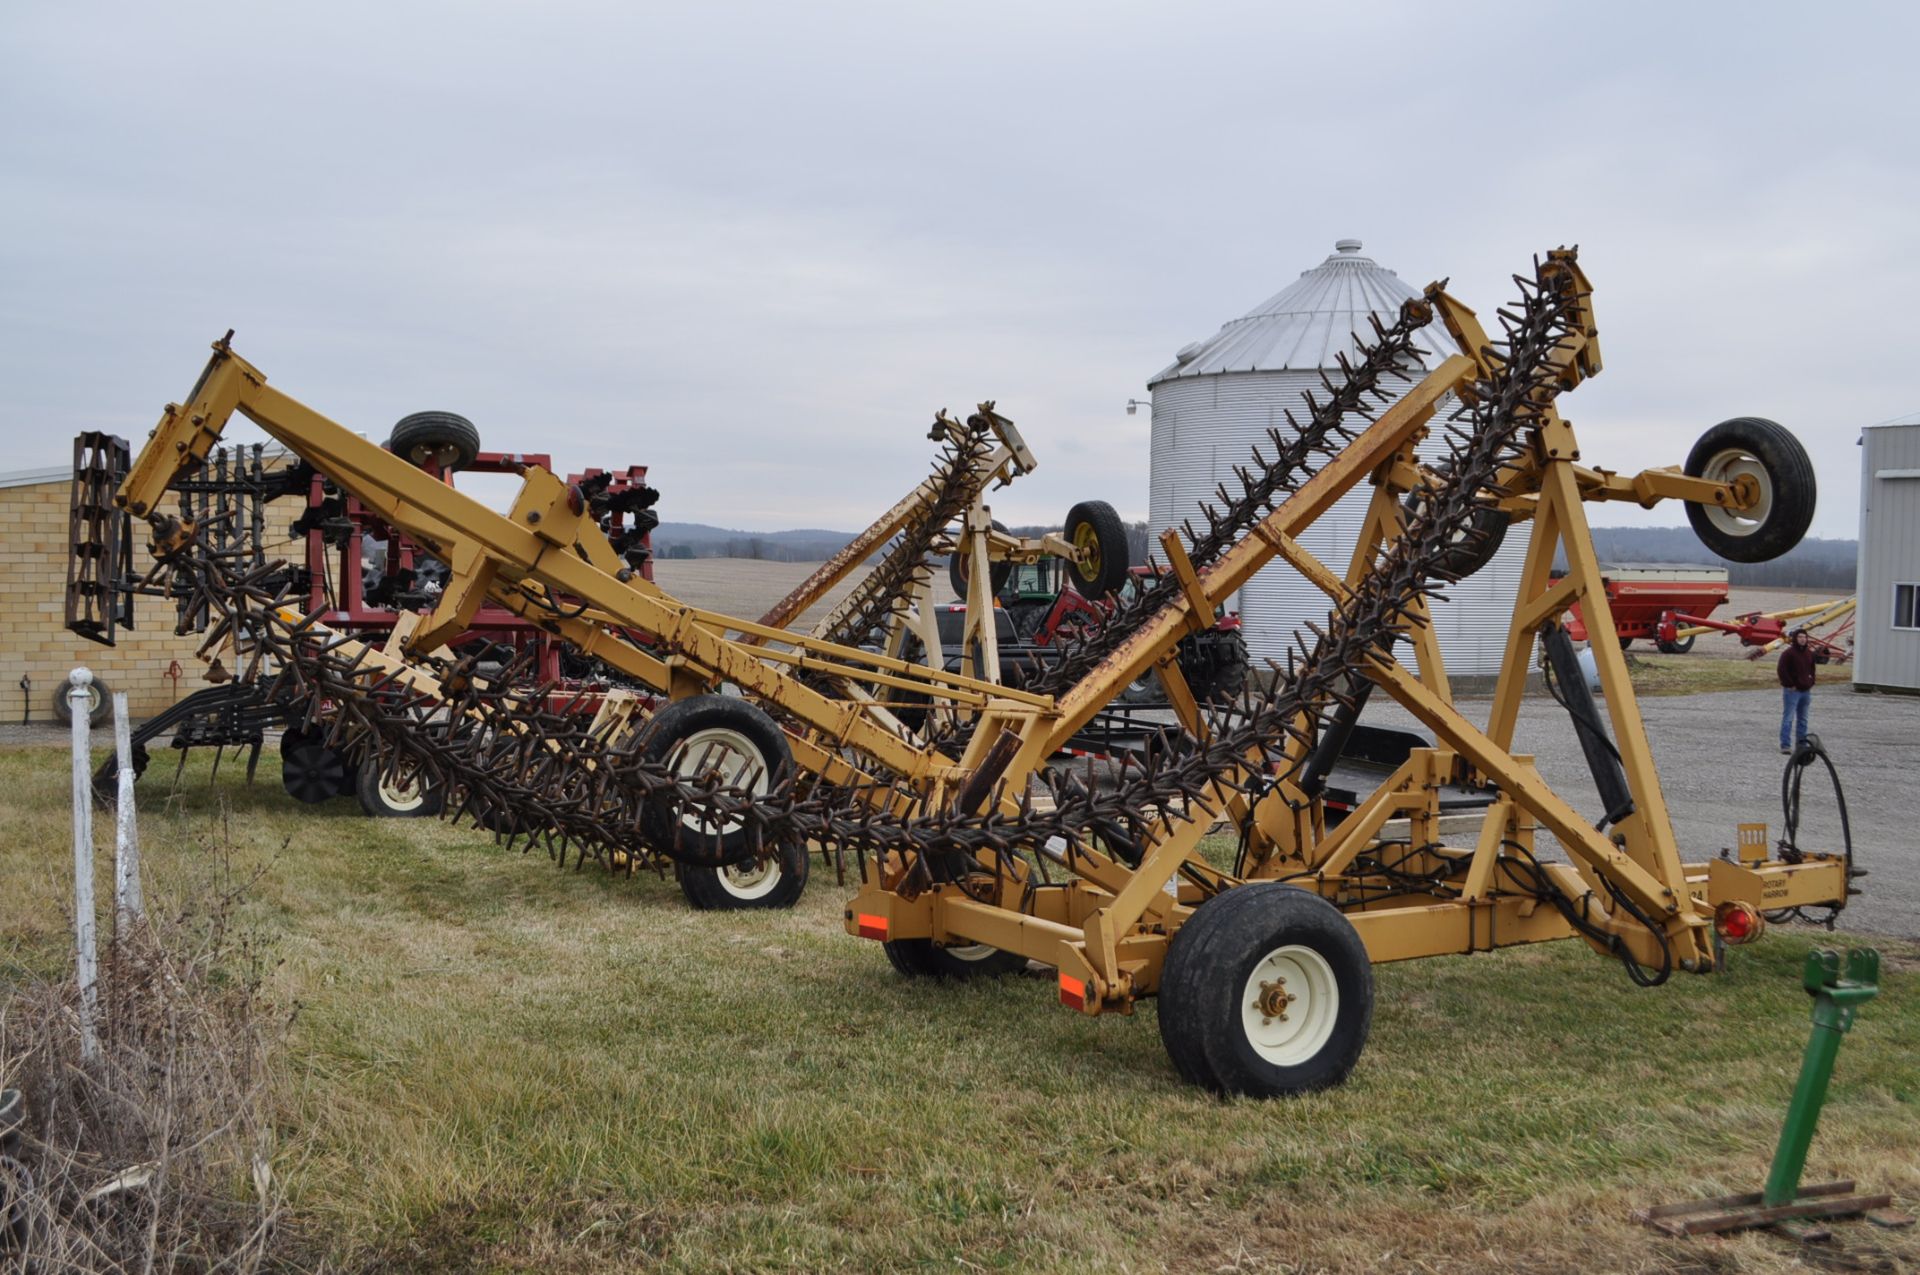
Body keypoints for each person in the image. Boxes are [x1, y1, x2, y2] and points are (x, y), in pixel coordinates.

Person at [1777, 627, 1817, 754]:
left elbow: (1812, 670)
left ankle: (1801, 744)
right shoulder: (1788, 653)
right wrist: (1789, 684)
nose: (1802, 639)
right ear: (1795, 638)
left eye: (1804, 637)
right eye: (1800, 637)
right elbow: (1781, 670)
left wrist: (1811, 682)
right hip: (1792, 691)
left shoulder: (1809, 653)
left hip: (1805, 691)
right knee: (1788, 718)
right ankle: (1785, 744)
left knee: (1803, 719)